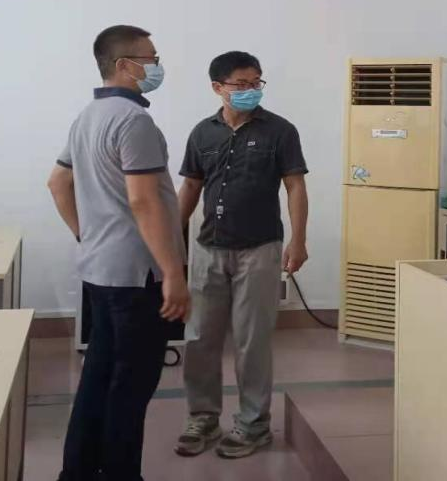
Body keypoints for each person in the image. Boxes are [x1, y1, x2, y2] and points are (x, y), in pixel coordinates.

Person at [48, 24, 189, 481]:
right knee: (131, 386)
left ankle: (77, 471)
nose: (157, 66)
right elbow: (144, 201)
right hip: (136, 275)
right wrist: (173, 272)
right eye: (151, 59)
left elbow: (57, 182)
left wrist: (85, 234)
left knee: (98, 378)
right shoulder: (134, 121)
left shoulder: (87, 116)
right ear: (125, 65)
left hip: (99, 270)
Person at [175, 51, 309, 459]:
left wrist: (298, 240)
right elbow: (191, 188)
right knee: (199, 338)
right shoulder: (202, 133)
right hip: (208, 249)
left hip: (260, 249)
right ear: (218, 87)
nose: (252, 90)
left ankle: (253, 425)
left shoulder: (280, 131)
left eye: (256, 82)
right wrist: (170, 239)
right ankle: (203, 417)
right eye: (242, 84)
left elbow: (295, 186)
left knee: (252, 341)